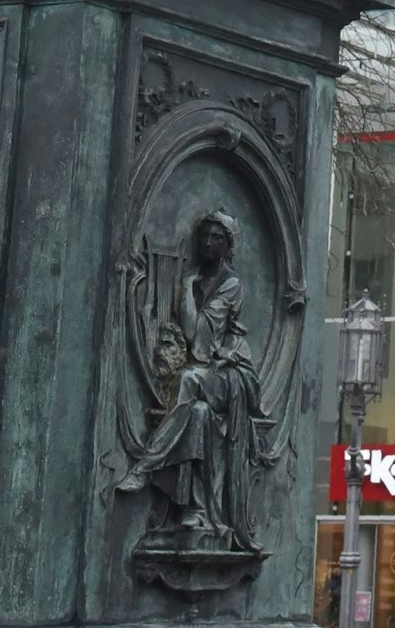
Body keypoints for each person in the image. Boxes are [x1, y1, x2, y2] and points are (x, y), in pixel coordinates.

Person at [115, 211, 272, 548]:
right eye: (205, 235)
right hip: (209, 379)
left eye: (217, 237)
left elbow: (197, 341)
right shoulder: (202, 278)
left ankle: (147, 465)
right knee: (198, 414)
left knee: (187, 379)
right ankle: (192, 509)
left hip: (231, 379)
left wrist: (185, 288)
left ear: (228, 245)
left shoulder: (230, 284)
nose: (208, 242)